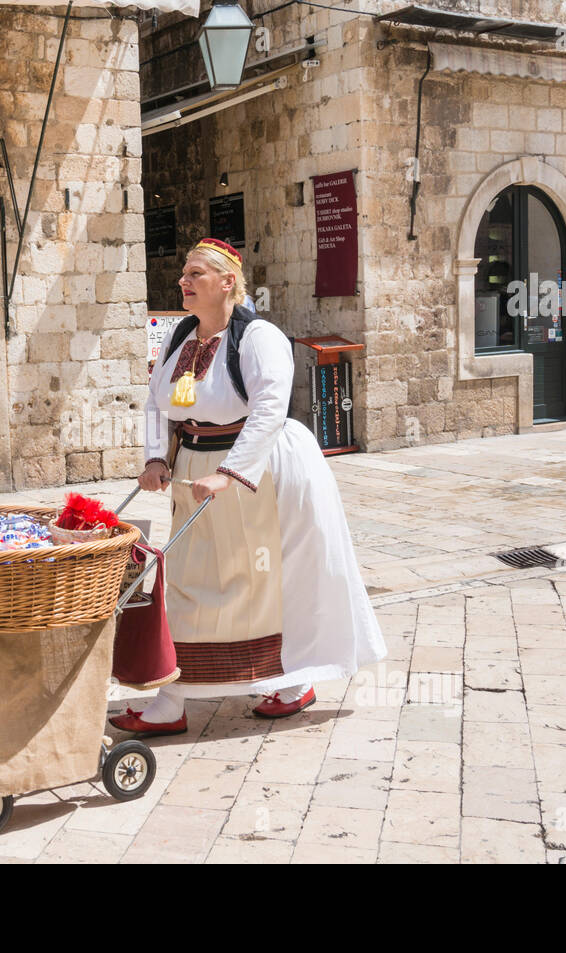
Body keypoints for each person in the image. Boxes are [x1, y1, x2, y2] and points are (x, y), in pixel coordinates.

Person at [110, 238, 386, 735]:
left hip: (252, 471)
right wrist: (155, 457)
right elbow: (156, 404)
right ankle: (178, 693)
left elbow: (268, 411)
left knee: (255, 582)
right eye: (185, 274)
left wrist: (230, 473)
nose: (184, 282)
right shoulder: (180, 336)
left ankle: (280, 680)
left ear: (227, 282)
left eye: (195, 274)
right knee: (189, 582)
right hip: (196, 467)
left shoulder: (258, 338)